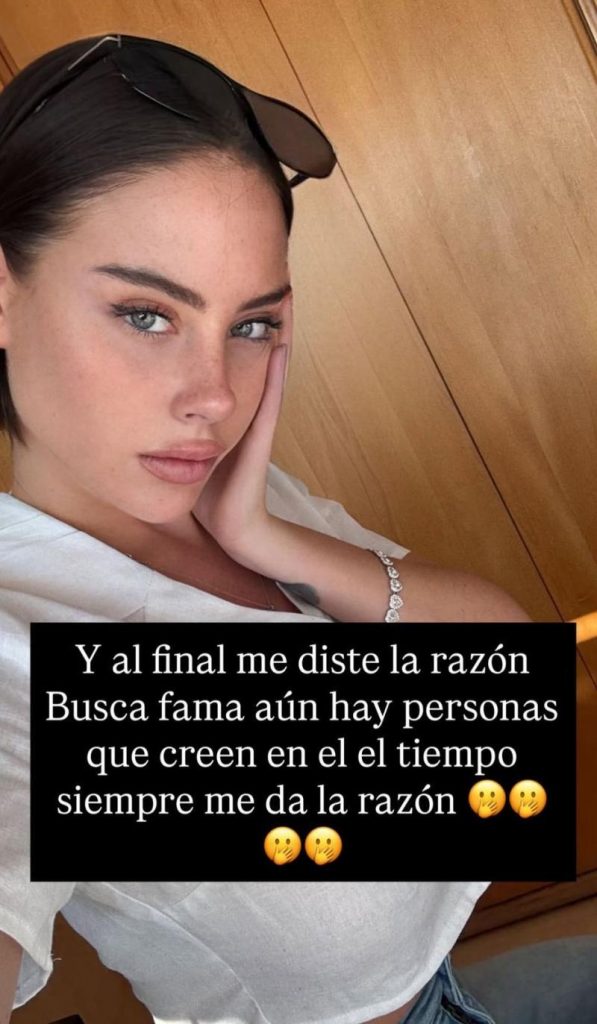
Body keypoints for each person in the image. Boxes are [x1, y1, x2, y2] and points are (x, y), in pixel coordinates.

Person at [0, 32, 594, 1024]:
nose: (212, 395)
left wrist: (267, 538)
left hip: (461, 979)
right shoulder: (17, 645)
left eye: (252, 324)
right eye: (146, 313)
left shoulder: (243, 492)